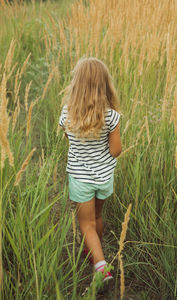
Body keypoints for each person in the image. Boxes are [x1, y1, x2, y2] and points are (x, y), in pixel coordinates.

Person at [59, 57, 122, 286]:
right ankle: (93, 251)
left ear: (76, 85)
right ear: (104, 85)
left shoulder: (67, 114)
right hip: (104, 177)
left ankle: (101, 267)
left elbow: (69, 139)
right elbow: (116, 151)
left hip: (81, 179)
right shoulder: (111, 116)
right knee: (96, 217)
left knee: (85, 224)